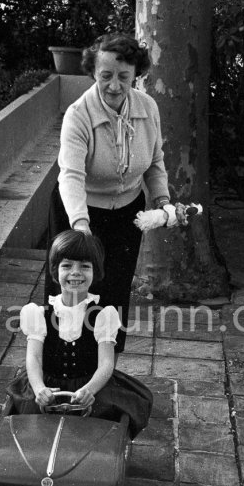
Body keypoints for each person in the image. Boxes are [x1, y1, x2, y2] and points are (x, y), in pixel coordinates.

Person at [44, 32, 177, 353]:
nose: (115, 85)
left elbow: (155, 161)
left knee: (114, 290)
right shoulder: (78, 115)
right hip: (77, 211)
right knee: (71, 291)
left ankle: (105, 368)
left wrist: (163, 202)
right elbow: (71, 175)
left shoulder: (148, 108)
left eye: (123, 76)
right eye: (106, 76)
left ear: (136, 75)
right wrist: (80, 225)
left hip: (126, 213)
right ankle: (59, 359)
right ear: (93, 72)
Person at [9, 229, 152, 439]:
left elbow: (106, 364)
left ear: (96, 272)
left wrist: (90, 390)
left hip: (88, 385)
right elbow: (34, 357)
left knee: (104, 423)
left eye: (84, 266)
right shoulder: (39, 314)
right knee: (30, 422)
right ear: (55, 271)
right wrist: (39, 387)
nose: (75, 273)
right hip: (48, 385)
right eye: (67, 266)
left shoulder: (103, 315)